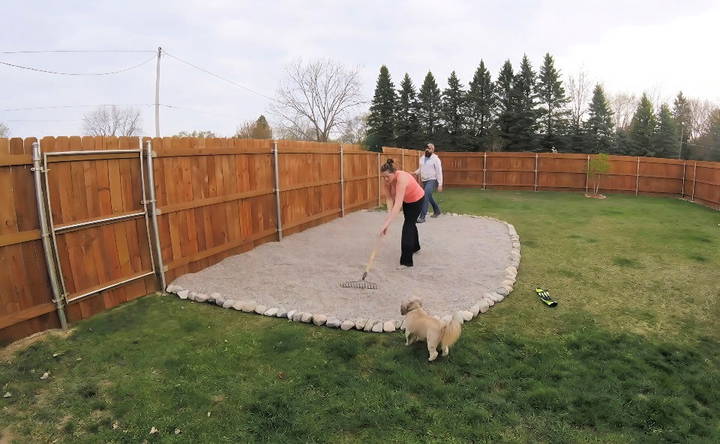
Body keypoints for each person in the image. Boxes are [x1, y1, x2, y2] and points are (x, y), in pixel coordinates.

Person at [379, 159, 425, 268]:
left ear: (394, 173)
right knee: (410, 222)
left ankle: (406, 261)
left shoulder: (401, 179)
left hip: (418, 200)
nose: (385, 179)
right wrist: (387, 220)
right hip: (407, 201)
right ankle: (416, 247)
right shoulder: (387, 182)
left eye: (387, 176)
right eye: (383, 177)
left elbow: (398, 204)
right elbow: (390, 200)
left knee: (408, 225)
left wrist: (386, 224)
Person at [414, 143, 443, 223]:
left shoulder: (436, 159)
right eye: (427, 148)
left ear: (433, 150)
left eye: (430, 148)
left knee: (425, 196)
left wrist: (440, 184)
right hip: (424, 180)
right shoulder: (422, 158)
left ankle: (422, 217)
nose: (428, 149)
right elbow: (420, 169)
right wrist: (414, 173)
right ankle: (437, 210)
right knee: (429, 196)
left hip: (432, 180)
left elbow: (439, 172)